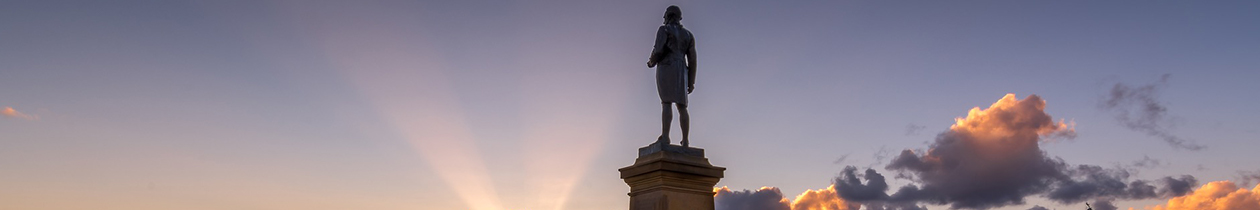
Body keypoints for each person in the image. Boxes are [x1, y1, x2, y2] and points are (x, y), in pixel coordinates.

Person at [647, 5, 698, 147]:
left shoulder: (664, 29)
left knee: (666, 103)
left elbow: (658, 50)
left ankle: (665, 137)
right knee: (682, 107)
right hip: (682, 69)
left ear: (668, 16)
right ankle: (685, 140)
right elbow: (693, 60)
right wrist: (691, 81)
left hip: (667, 66)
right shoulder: (688, 35)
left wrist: (651, 62)